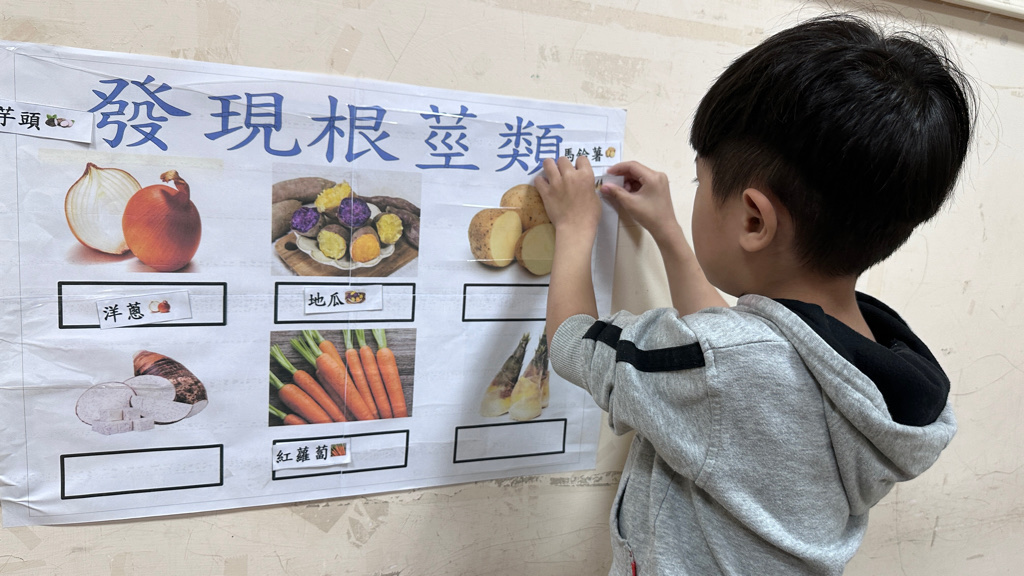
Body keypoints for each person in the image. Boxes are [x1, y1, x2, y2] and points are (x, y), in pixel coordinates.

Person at [533, 12, 974, 576]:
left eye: (700, 181)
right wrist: (668, 232)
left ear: (753, 219)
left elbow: (573, 344)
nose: (695, 192)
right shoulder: (869, 362)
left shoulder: (726, 366)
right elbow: (734, 350)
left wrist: (574, 227)